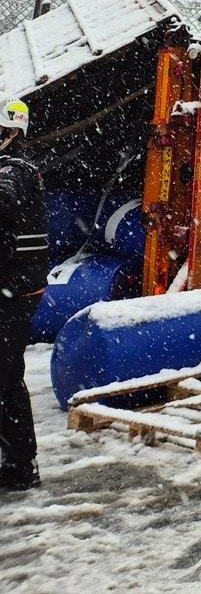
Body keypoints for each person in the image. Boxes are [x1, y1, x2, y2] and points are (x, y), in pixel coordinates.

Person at [0, 97, 47, 492]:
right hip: (10, 287)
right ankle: (18, 465)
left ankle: (19, 463)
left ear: (11, 133)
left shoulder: (16, 171)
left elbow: (4, 200)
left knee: (4, 376)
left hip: (15, 291)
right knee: (8, 378)